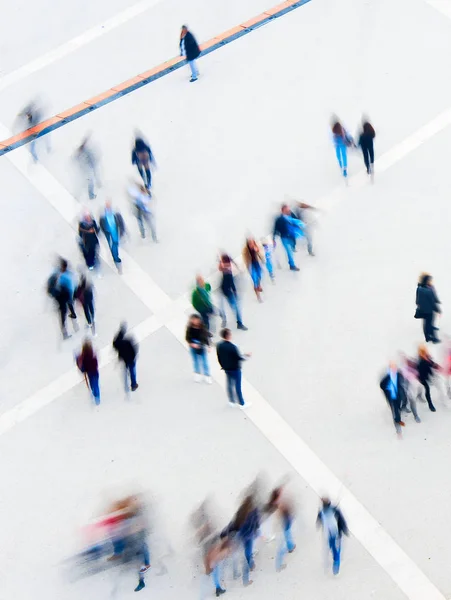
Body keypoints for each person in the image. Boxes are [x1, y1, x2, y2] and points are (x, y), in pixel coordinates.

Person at [216, 328, 250, 408]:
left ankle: (231, 401)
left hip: (227, 368)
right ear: (228, 336)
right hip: (235, 368)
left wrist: (222, 366)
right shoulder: (232, 347)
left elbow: (219, 357)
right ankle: (241, 403)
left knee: (229, 384)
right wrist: (246, 355)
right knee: (237, 385)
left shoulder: (219, 345)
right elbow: (238, 357)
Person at [265, 486, 296, 572]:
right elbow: (280, 518)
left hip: (283, 525)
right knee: (282, 546)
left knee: (287, 534)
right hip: (282, 527)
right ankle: (279, 565)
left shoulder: (276, 504)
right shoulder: (279, 506)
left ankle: (290, 546)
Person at [316, 498, 349, 575]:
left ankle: (334, 563)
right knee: (335, 548)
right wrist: (345, 529)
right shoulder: (334, 511)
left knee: (333, 547)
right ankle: (336, 564)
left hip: (331, 534)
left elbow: (319, 521)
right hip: (334, 534)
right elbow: (341, 521)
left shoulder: (323, 512)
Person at [48, 258, 78, 339]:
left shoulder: (63, 275)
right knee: (64, 312)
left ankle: (72, 315)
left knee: (65, 311)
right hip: (63, 296)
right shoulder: (63, 275)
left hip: (64, 296)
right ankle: (65, 331)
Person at [218, 254, 247, 331]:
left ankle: (239, 323)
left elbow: (231, 283)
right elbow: (221, 267)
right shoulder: (225, 269)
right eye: (226, 264)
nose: (227, 265)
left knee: (235, 307)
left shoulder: (228, 271)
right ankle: (225, 319)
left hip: (227, 292)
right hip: (223, 291)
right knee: (223, 308)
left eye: (228, 264)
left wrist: (234, 292)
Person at [379, 361, 407, 434]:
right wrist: (388, 389)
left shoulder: (399, 374)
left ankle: (398, 416)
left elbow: (402, 381)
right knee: (394, 409)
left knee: (398, 406)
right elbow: (382, 385)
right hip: (391, 396)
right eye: (392, 368)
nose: (394, 369)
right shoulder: (387, 378)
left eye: (395, 368)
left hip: (398, 395)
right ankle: (398, 426)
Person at [99, 201, 126, 271]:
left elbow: (121, 222)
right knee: (112, 246)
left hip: (115, 231)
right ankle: (116, 259)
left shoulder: (115, 213)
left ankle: (116, 258)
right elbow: (101, 224)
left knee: (115, 243)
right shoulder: (103, 215)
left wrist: (122, 231)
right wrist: (104, 231)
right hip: (108, 232)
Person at [113, 322, 139, 392]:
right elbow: (134, 350)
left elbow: (115, 345)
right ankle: (133, 384)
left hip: (124, 358)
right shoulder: (128, 342)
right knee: (132, 371)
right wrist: (134, 357)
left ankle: (127, 384)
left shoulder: (118, 342)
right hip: (131, 358)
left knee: (126, 368)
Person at [186, 314, 212, 383]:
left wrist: (209, 346)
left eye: (196, 320)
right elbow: (187, 338)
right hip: (193, 346)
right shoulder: (189, 328)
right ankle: (197, 374)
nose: (195, 321)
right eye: (193, 320)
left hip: (202, 345)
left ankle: (207, 375)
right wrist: (192, 344)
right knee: (196, 361)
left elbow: (206, 337)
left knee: (205, 362)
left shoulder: (202, 327)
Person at [272, 205, 300, 271]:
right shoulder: (279, 219)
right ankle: (292, 265)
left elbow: (297, 221)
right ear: (282, 211)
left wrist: (300, 225)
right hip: (284, 237)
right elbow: (275, 228)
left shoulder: (291, 215)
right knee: (289, 251)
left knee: (292, 246)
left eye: (288, 209)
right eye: (286, 210)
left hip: (292, 236)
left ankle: (293, 248)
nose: (288, 211)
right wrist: (273, 238)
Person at [415, 273, 441, 343]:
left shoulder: (419, 288)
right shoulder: (429, 290)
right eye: (429, 280)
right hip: (429, 310)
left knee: (426, 323)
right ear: (426, 281)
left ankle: (427, 337)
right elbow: (432, 302)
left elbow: (417, 300)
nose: (431, 281)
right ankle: (433, 338)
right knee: (430, 323)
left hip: (422, 310)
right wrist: (438, 310)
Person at [74, 134, 100, 199]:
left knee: (85, 182)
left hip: (85, 169)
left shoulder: (80, 151)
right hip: (87, 169)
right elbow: (91, 159)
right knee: (89, 182)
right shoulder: (86, 151)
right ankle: (89, 195)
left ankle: (78, 196)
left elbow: (76, 159)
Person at [76, 339, 100, 405]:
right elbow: (96, 363)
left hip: (89, 372)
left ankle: (95, 393)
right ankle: (97, 396)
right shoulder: (92, 354)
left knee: (92, 383)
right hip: (95, 371)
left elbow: (81, 365)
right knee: (96, 384)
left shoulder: (82, 357)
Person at [417, 344, 439, 412]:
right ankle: (430, 404)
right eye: (423, 352)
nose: (425, 353)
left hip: (427, 375)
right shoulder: (421, 361)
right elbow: (424, 368)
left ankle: (419, 394)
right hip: (422, 377)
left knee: (432, 385)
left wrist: (436, 366)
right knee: (427, 388)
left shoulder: (427, 357)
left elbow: (431, 363)